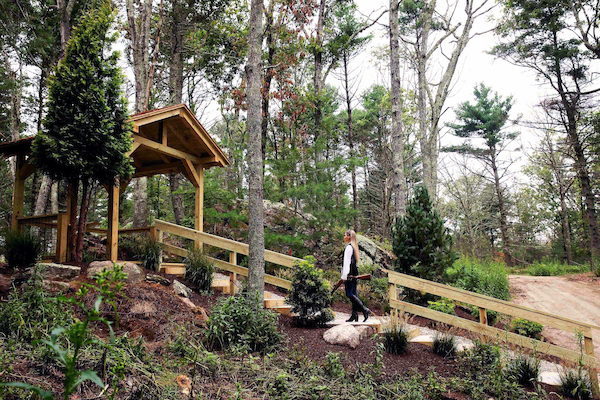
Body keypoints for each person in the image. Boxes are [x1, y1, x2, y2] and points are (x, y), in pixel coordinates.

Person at [338, 230, 371, 322]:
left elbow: (347, 263)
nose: (344, 237)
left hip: (349, 274)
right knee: (354, 294)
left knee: (349, 294)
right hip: (354, 273)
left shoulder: (348, 247)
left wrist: (344, 275)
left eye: (345, 235)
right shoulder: (353, 247)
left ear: (348, 236)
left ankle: (365, 309)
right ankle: (354, 315)